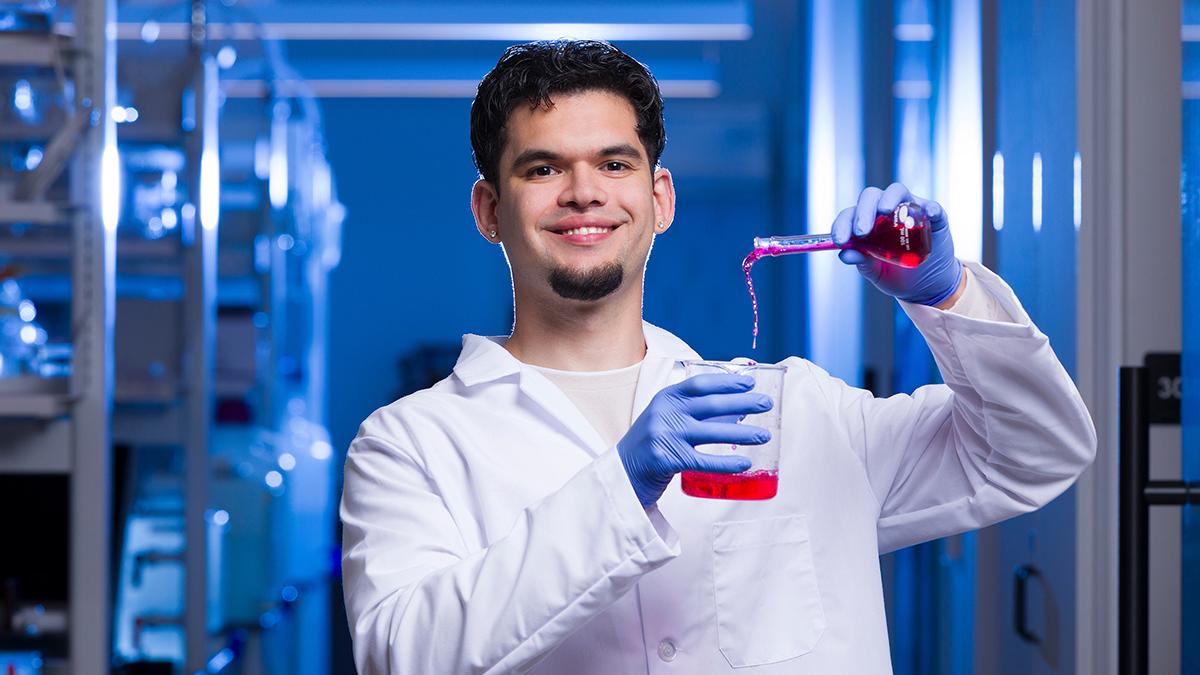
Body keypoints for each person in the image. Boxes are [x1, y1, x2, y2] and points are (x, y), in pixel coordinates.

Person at [340, 40, 1096, 674]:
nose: (582, 192)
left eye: (614, 163)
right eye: (542, 169)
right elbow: (403, 652)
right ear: (488, 210)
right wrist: (622, 483)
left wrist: (948, 296)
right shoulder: (409, 445)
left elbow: (1035, 451)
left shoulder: (796, 412)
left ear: (660, 198)